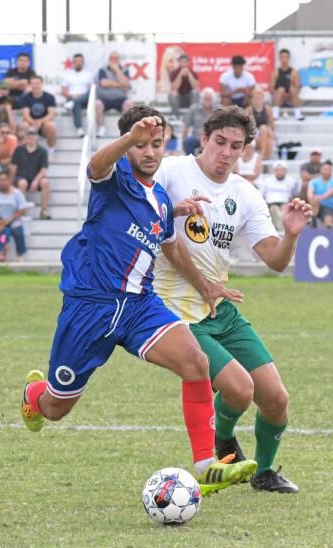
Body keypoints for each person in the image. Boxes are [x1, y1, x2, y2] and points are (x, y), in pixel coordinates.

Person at [19, 105, 258, 497]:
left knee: (196, 361)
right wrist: (129, 138)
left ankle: (205, 465)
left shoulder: (162, 199)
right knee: (56, 408)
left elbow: (170, 243)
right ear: (128, 147)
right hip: (90, 308)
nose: (149, 152)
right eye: (141, 144)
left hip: (139, 307)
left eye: (156, 144)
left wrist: (201, 278)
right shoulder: (113, 179)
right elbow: (97, 164)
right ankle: (34, 397)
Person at [152, 105, 313, 493]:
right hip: (177, 312)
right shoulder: (172, 171)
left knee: (276, 398)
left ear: (245, 151)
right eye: (220, 142)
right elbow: (146, 217)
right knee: (240, 389)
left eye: (236, 146)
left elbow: (274, 260)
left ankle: (264, 472)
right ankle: (222, 440)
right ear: (204, 140)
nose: (226, 151)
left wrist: (290, 234)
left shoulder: (243, 193)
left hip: (220, 309)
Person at [10, 126, 51, 219]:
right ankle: (21, 210)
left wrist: (36, 181)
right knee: (22, 183)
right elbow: (13, 167)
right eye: (29, 134)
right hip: (22, 176)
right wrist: (11, 182)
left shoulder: (42, 151)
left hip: (36, 177)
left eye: (33, 134)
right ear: (26, 136)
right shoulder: (19, 149)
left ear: (37, 136)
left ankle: (44, 210)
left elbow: (44, 168)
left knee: (45, 182)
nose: (31, 137)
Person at [94, 52, 135, 137]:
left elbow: (125, 83)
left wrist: (117, 70)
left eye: (116, 58)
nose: (114, 60)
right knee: (97, 104)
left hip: (120, 98)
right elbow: (104, 83)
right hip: (105, 98)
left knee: (129, 103)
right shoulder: (103, 69)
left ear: (119, 60)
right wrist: (121, 85)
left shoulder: (124, 69)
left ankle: (126, 130)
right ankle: (102, 129)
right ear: (109, 60)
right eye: (112, 58)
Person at [20, 75, 57, 154]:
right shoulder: (26, 97)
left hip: (44, 123)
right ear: (30, 85)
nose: (35, 86)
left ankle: (51, 150)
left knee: (51, 126)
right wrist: (33, 122)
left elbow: (51, 115)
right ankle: (24, 150)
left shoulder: (49, 97)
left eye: (37, 83)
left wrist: (40, 122)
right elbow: (26, 115)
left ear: (41, 84)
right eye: (33, 84)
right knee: (24, 125)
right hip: (30, 122)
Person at [61, 53, 95, 137]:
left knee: (90, 94)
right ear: (73, 62)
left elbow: (91, 89)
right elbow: (64, 91)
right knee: (77, 105)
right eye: (76, 61)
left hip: (85, 99)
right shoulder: (67, 74)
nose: (78, 63)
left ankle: (73, 103)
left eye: (80, 61)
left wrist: (81, 95)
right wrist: (73, 96)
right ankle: (79, 128)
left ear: (83, 62)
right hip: (71, 97)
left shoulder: (88, 74)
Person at [259, 160, 299, 232]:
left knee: (285, 209)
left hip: (285, 202)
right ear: (274, 171)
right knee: (274, 209)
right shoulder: (266, 181)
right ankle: (277, 229)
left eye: (282, 170)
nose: (280, 172)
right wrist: (264, 201)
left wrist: (292, 199)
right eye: (277, 170)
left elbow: (295, 195)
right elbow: (261, 195)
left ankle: (281, 230)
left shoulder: (292, 182)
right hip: (271, 202)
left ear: (286, 171)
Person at [182, 88, 216, 157]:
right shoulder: (194, 108)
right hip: (196, 137)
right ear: (202, 98)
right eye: (206, 98)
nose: (207, 100)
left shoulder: (218, 110)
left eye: (209, 98)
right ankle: (190, 162)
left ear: (213, 99)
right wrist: (183, 142)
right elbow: (186, 126)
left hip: (212, 138)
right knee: (187, 142)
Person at [271, 48, 303, 121]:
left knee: (292, 89)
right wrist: (280, 94)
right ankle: (275, 113)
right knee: (281, 89)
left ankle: (298, 114)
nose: (284, 59)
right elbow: (271, 89)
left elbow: (297, 88)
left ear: (289, 59)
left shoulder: (294, 72)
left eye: (286, 57)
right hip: (279, 99)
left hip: (290, 98)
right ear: (279, 59)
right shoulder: (275, 73)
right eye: (282, 57)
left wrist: (288, 95)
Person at [307, 160, 333, 228]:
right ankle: (313, 221)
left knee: (328, 222)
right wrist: (313, 198)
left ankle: (314, 222)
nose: (327, 172)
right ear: (321, 170)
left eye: (329, 170)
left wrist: (316, 197)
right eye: (325, 169)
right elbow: (309, 194)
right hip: (315, 204)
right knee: (314, 200)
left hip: (328, 206)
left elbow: (329, 195)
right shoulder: (314, 181)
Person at [246, 88, 275, 158]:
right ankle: (266, 165)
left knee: (263, 128)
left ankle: (263, 154)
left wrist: (273, 133)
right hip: (255, 135)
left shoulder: (268, 109)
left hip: (264, 132)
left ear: (263, 99)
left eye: (259, 98)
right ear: (252, 99)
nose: (258, 100)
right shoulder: (249, 110)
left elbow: (272, 124)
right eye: (256, 98)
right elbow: (245, 125)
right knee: (269, 143)